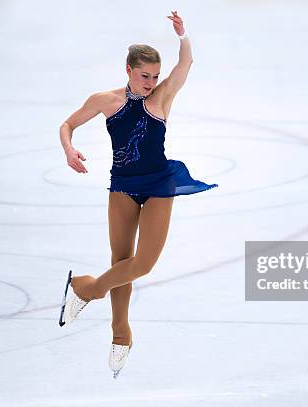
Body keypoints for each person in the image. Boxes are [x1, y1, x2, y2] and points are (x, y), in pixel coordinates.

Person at [58, 11, 218, 378]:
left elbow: (187, 63)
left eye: (155, 76)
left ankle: (86, 289)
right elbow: (67, 124)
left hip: (159, 184)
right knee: (121, 259)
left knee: (142, 264)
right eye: (144, 76)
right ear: (128, 70)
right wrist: (69, 150)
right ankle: (120, 334)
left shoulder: (162, 97)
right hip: (123, 186)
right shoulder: (105, 100)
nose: (151, 82)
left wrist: (183, 35)